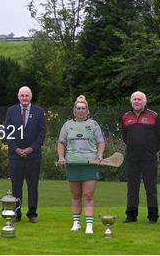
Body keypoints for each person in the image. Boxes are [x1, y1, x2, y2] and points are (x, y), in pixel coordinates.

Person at [57, 95, 105, 234]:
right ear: (74, 110)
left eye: (83, 108)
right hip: (72, 164)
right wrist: (61, 157)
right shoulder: (67, 125)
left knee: (88, 195)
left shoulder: (94, 125)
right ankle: (76, 223)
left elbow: (100, 142)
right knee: (76, 195)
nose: (81, 110)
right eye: (78, 108)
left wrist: (100, 156)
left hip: (89, 164)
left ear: (87, 110)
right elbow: (61, 143)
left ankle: (89, 225)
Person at [3, 86, 46, 223]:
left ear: (31, 96)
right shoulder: (11, 111)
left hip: (33, 156)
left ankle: (32, 213)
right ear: (18, 96)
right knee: (16, 186)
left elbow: (42, 133)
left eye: (27, 95)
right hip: (15, 156)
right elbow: (6, 132)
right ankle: (16, 213)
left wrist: (31, 148)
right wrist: (16, 149)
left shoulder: (38, 111)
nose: (24, 98)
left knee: (33, 186)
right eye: (22, 95)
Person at [121, 91, 160, 224]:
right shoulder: (125, 117)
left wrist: (152, 151)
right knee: (132, 190)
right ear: (131, 102)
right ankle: (131, 216)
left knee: (151, 190)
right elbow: (125, 137)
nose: (137, 101)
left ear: (144, 102)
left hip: (149, 159)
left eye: (139, 99)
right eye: (134, 99)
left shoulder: (154, 116)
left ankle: (153, 216)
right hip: (131, 159)